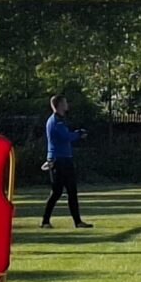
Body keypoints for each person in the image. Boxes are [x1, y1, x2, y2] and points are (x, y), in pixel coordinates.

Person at [40, 94, 92, 228]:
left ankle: (78, 222)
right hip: (58, 160)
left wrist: (77, 134)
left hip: (65, 159)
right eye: (65, 102)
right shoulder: (55, 121)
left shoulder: (60, 120)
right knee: (56, 192)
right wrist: (79, 134)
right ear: (59, 105)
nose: (67, 104)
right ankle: (45, 221)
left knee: (72, 191)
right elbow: (65, 137)